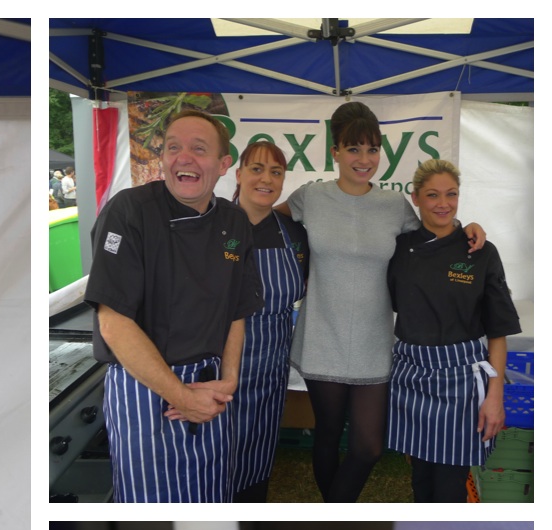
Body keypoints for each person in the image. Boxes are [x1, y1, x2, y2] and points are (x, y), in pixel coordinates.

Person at [276, 101, 485, 502]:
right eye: (354, 149)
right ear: (335, 152)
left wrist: (465, 226)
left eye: (372, 149)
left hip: (375, 340)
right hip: (322, 335)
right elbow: (271, 220)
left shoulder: (393, 206)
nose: (364, 159)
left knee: (369, 446)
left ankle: (333, 513)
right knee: (328, 434)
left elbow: (434, 235)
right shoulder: (310, 198)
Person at [85, 109, 263, 502]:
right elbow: (113, 322)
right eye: (173, 148)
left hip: (211, 384)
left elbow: (237, 311)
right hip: (143, 388)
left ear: (223, 164)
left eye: (199, 149)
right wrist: (182, 397)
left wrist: (228, 380)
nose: (184, 157)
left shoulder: (234, 222)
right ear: (162, 159)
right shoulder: (129, 212)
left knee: (212, 496)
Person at [386, 159, 520, 501]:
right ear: (415, 198)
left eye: (451, 194)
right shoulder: (399, 248)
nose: (443, 203)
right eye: (432, 195)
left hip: (461, 382)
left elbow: (498, 331)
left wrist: (495, 396)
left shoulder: (480, 252)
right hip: (411, 378)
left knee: (448, 487)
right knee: (421, 480)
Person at [229, 143, 309, 502]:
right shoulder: (212, 223)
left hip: (271, 367)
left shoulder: (294, 233)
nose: (266, 179)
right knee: (217, 458)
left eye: (276, 172)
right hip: (217, 367)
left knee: (259, 455)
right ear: (238, 174)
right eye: (257, 169)